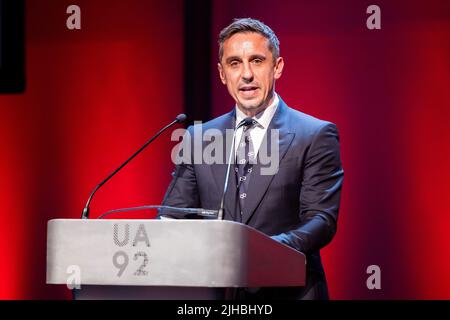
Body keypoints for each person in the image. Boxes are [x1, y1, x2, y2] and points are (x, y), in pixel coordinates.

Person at [160, 18, 344, 300]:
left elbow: (321, 220)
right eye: (235, 63)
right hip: (216, 295)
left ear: (277, 67)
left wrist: (262, 253)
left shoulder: (315, 134)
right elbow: (173, 217)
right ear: (222, 74)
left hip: (289, 291)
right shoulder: (198, 137)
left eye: (257, 61)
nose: (246, 74)